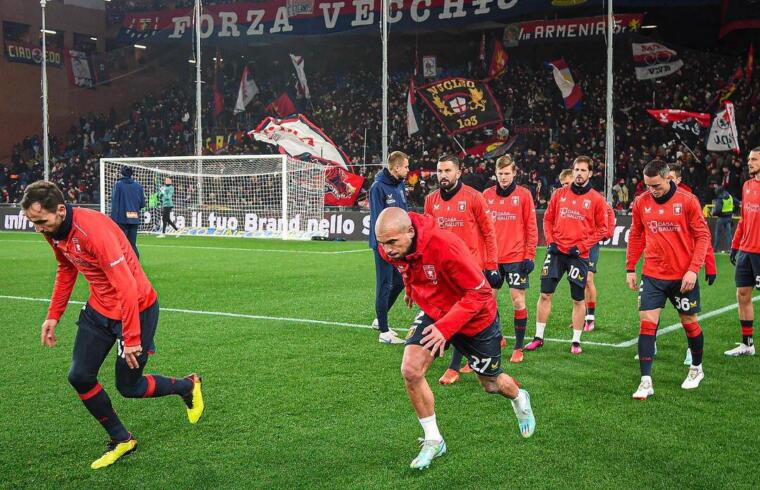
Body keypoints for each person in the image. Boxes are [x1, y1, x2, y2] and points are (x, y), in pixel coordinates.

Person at [21, 181, 204, 469]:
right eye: (33, 223)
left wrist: (131, 337)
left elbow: (128, 288)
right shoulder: (53, 230)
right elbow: (66, 268)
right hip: (99, 309)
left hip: (137, 308)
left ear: (59, 210)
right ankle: (122, 439)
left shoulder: (93, 231)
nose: (38, 229)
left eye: (41, 221)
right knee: (80, 376)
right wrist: (53, 315)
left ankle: (187, 386)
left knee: (128, 387)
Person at [374, 207, 535, 470]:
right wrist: (412, 289)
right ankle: (434, 440)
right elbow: (408, 265)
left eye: (392, 242)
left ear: (410, 232)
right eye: (383, 243)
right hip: (436, 311)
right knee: (411, 370)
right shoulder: (390, 248)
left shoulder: (445, 245)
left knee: (491, 385)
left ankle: (520, 398)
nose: (388, 250)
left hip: (476, 320)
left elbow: (481, 292)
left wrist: (445, 327)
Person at [626, 160, 711, 399]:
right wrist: (631, 267)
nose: (652, 190)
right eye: (648, 185)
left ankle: (696, 368)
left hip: (682, 277)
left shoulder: (687, 201)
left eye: (657, 185)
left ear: (669, 179)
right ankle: (645, 381)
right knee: (646, 323)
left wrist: (694, 269)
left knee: (689, 322)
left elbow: (703, 236)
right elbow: (636, 234)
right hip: (653, 274)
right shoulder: (641, 202)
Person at [424, 154, 500, 384]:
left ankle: (454, 366)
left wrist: (492, 266)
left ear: (458, 172)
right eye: (439, 171)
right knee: (451, 311)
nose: (443, 175)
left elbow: (489, 232)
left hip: (470, 269)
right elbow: (428, 236)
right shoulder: (431, 200)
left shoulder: (474, 198)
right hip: (442, 270)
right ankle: (492, 335)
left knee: (462, 314)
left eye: (447, 171)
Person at [525, 156, 608, 355]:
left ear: (590, 173)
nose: (579, 173)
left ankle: (576, 340)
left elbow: (602, 229)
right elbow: (548, 219)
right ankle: (538, 337)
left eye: (583, 170)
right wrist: (551, 241)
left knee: (578, 299)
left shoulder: (596, 199)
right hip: (556, 252)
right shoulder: (559, 194)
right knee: (545, 294)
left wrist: (581, 247)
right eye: (576, 169)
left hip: (578, 255)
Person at [482, 155, 537, 363]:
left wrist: (530, 255)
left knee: (517, 300)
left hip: (516, 258)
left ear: (514, 173)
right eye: (500, 173)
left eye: (507, 173)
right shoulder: (486, 195)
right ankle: (498, 337)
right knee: (487, 302)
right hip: (493, 259)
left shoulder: (523, 195)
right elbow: (482, 228)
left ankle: (518, 347)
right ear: (495, 174)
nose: (503, 177)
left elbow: (531, 227)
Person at [667, 162, 718, 365]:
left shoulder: (689, 200)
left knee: (688, 315)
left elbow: (702, 236)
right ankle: (649, 343)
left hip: (684, 267)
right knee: (648, 308)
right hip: (657, 266)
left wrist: (710, 264)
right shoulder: (652, 198)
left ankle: (692, 350)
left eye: (670, 178)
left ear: (678, 180)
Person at [368, 150, 409, 344]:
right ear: (396, 167)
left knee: (400, 281)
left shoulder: (400, 184)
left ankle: (379, 319)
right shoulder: (377, 187)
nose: (408, 170)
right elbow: (377, 218)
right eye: (406, 167)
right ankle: (384, 332)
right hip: (383, 244)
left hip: (399, 243)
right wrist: (384, 244)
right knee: (384, 284)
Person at [728, 147, 760, 357]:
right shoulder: (747, 186)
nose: (750, 162)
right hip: (746, 251)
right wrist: (735, 245)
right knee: (742, 295)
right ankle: (747, 344)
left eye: (755, 159)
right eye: (749, 159)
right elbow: (744, 219)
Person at [582, 201, 616, 332]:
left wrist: (608, 232)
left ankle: (590, 317)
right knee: (578, 281)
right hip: (574, 243)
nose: (565, 187)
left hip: (591, 243)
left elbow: (609, 211)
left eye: (567, 183)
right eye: (563, 185)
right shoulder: (566, 197)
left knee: (588, 279)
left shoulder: (594, 197)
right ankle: (581, 316)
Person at [110, 166, 145, 258]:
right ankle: (135, 264)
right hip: (134, 218)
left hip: (121, 219)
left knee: (120, 243)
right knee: (132, 244)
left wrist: (112, 220)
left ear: (122, 173)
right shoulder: (139, 186)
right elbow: (142, 204)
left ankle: (122, 264)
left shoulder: (118, 185)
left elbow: (115, 203)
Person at [712, 186, 736, 253]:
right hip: (728, 218)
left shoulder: (720, 198)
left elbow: (718, 210)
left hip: (721, 218)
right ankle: (731, 249)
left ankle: (715, 249)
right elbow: (737, 203)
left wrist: (713, 213)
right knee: (728, 235)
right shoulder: (730, 196)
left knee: (718, 234)